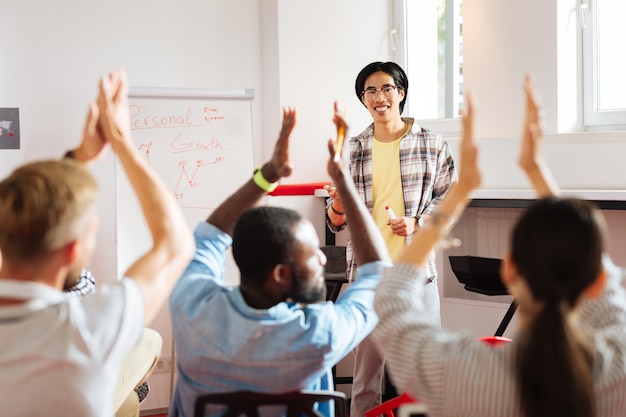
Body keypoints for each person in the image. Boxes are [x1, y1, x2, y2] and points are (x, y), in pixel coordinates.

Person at [370, 76, 626, 417]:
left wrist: (458, 195)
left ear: (509, 269)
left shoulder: (462, 374)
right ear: (594, 281)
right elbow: (592, 266)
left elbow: (390, 301)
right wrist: (536, 169)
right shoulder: (618, 362)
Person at [168, 104, 392, 417]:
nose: (322, 259)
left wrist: (268, 175)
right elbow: (379, 273)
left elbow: (208, 235)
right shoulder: (319, 335)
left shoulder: (191, 307)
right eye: (312, 255)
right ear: (280, 275)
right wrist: (343, 180)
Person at [0, 68, 194, 417]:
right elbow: (176, 244)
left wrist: (78, 161)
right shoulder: (87, 329)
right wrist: (122, 141)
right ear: (73, 251)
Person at [324, 61, 457, 414]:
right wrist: (338, 205)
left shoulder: (431, 143)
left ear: (400, 92)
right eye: (370, 91)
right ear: (363, 99)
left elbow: (451, 199)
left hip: (416, 272)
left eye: (386, 88)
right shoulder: (353, 149)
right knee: (366, 376)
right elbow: (336, 222)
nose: (379, 97)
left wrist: (419, 222)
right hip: (368, 277)